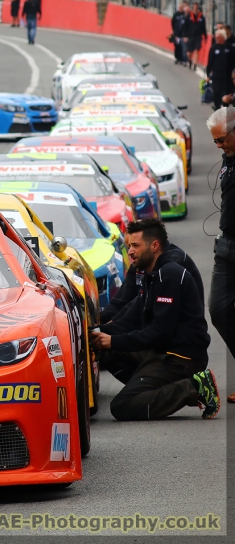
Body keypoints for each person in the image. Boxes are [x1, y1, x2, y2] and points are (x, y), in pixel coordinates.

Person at [91, 218, 218, 420]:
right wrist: (95, 332)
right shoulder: (150, 273)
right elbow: (130, 316)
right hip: (162, 350)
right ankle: (147, 388)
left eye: (135, 246)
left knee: (122, 406)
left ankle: (193, 387)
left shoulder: (169, 275)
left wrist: (113, 340)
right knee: (107, 351)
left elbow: (160, 333)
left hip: (181, 358)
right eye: (128, 246)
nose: (129, 251)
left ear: (155, 246)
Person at [207, 106, 235, 402]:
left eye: (221, 139)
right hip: (226, 244)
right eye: (215, 141)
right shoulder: (227, 158)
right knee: (219, 309)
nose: (218, 146)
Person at [206, 30, 234, 109]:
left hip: (227, 74)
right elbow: (210, 61)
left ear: (223, 38)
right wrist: (208, 74)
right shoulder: (214, 47)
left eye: (218, 37)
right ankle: (217, 106)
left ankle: (226, 105)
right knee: (216, 91)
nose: (216, 38)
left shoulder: (230, 47)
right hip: (216, 74)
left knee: (228, 91)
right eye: (216, 37)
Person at [182, 4, 206, 72]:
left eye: (197, 8)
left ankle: (195, 65)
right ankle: (189, 61)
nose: (195, 9)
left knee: (196, 50)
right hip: (190, 36)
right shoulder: (189, 16)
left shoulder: (201, 17)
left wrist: (205, 36)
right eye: (194, 7)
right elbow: (185, 27)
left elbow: (204, 27)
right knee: (189, 52)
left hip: (198, 36)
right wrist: (184, 36)